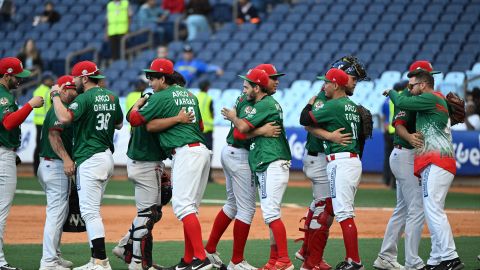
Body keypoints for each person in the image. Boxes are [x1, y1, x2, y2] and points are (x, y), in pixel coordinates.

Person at [128, 58, 213, 270]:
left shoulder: (161, 96)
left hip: (185, 152)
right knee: (190, 208)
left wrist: (138, 105)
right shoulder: (189, 94)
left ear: (163, 78)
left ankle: (200, 258)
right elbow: (201, 124)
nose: (149, 81)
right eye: (148, 77)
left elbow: (136, 120)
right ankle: (188, 260)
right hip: (200, 150)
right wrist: (176, 119)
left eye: (153, 78)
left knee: (183, 207)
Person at [112, 65, 193, 270]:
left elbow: (134, 117)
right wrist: (178, 118)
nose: (178, 95)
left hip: (146, 161)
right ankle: (138, 262)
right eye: (177, 89)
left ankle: (125, 246)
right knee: (147, 214)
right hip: (145, 161)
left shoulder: (149, 99)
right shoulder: (160, 101)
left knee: (152, 212)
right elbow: (144, 124)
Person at [204, 64, 285, 270]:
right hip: (240, 155)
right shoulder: (251, 101)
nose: (276, 81)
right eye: (273, 78)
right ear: (261, 82)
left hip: (231, 152)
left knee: (232, 205)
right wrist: (262, 131)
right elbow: (241, 132)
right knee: (246, 210)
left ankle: (210, 250)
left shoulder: (246, 99)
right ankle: (237, 261)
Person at [384, 69, 464, 270]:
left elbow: (401, 103)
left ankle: (450, 256)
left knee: (433, 210)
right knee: (431, 210)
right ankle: (436, 259)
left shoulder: (431, 97)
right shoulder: (431, 101)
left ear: (423, 85)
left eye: (412, 86)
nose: (409, 89)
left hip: (438, 161)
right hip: (434, 162)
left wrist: (391, 92)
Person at [296, 56, 368, 270]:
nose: (354, 82)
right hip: (320, 157)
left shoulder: (339, 102)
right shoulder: (326, 99)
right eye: (353, 78)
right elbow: (307, 123)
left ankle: (308, 254)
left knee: (323, 206)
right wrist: (331, 137)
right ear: (340, 80)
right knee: (325, 208)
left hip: (332, 159)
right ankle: (312, 261)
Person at [50, 60, 123, 270]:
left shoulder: (84, 98)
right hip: (107, 157)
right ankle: (95, 260)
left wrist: (55, 96)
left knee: (90, 212)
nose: (74, 82)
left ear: (84, 78)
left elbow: (63, 117)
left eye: (75, 78)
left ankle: (100, 261)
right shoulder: (111, 96)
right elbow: (118, 123)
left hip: (90, 158)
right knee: (93, 210)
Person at [222, 68, 293, 270]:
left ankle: (285, 261)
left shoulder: (266, 103)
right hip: (265, 161)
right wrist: (259, 130)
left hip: (273, 161)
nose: (244, 90)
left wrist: (233, 117)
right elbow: (245, 133)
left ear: (257, 87)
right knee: (270, 212)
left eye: (247, 86)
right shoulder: (261, 103)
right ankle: (274, 260)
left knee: (270, 213)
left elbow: (242, 128)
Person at [373, 60, 440, 270]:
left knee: (402, 209)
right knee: (416, 207)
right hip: (405, 155)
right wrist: (410, 138)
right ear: (421, 79)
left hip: (409, 155)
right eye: (429, 76)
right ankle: (413, 262)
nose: (432, 80)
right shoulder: (408, 98)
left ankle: (386, 256)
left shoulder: (422, 99)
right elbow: (399, 124)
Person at [0, 57, 44, 270]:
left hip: (4, 151)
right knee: (1, 210)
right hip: (2, 156)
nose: (20, 80)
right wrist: (30, 105)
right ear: (6, 75)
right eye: (17, 76)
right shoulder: (4, 96)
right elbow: (8, 123)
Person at [37, 75, 78, 270]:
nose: (74, 92)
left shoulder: (63, 107)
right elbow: (54, 135)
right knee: (56, 215)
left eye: (74, 88)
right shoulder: (58, 107)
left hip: (49, 165)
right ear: (61, 90)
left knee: (58, 214)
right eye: (70, 89)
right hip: (54, 165)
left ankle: (55, 256)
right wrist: (67, 159)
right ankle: (49, 262)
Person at [32, 72, 55, 176]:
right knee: (47, 146)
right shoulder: (48, 92)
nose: (52, 81)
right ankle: (44, 169)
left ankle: (35, 168)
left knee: (38, 146)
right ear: (45, 80)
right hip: (45, 123)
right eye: (50, 80)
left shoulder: (37, 90)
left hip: (37, 122)